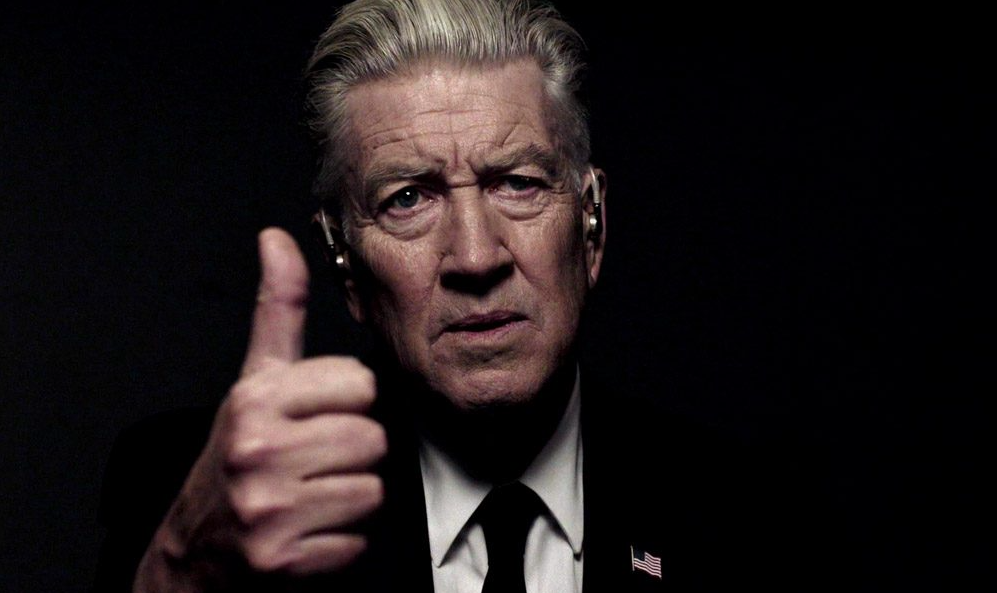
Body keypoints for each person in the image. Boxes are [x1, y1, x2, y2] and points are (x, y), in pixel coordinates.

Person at [94, 1, 842, 591]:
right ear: (345, 265)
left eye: (517, 182)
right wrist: (184, 566)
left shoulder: (752, 523)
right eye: (407, 198)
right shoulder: (199, 499)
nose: (477, 257)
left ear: (591, 227)